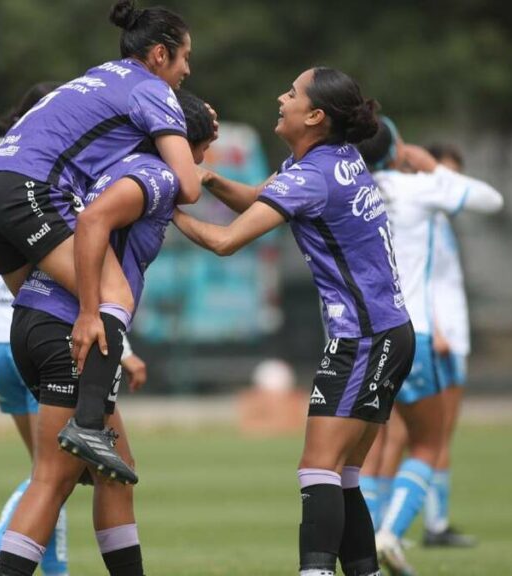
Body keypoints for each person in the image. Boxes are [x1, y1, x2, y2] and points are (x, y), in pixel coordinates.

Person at [172, 67, 414, 576]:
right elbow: (265, 200)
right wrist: (212, 179)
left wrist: (162, 207)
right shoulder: (331, 158)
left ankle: (316, 571)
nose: (281, 98)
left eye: (292, 93)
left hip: (364, 339)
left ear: (315, 116)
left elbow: (225, 241)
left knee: (317, 468)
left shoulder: (312, 175)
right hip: (388, 334)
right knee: (343, 474)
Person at [0, 0, 199, 484]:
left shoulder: (98, 75)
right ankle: (87, 426)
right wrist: (93, 310)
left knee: (35, 306)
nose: (186, 71)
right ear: (159, 55)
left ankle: (67, 420)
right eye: (183, 59)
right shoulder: (151, 89)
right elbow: (189, 185)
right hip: (28, 191)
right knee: (111, 296)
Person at [0, 82, 148, 576]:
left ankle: (2, 565)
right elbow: (85, 279)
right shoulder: (54, 190)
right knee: (52, 476)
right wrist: (123, 347)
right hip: (55, 337)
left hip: (1, 342)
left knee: (52, 474)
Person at [0, 90, 217, 576]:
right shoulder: (154, 174)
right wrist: (91, 310)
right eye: (205, 145)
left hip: (39, 319)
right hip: (70, 331)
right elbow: (94, 221)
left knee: (115, 473)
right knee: (52, 479)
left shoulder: (123, 168)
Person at [356, 119, 502, 575]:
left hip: (359, 338)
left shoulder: (347, 190)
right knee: (428, 443)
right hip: (412, 333)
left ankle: (363, 552)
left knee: (362, 453)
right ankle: (388, 536)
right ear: (397, 146)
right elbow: (491, 200)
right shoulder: (415, 189)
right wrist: (430, 167)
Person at [420, 142, 476, 547]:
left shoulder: (442, 222)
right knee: (416, 437)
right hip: (436, 338)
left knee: (441, 436)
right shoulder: (422, 219)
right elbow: (416, 278)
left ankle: (435, 521)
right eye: (444, 173)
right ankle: (387, 525)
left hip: (454, 336)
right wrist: (437, 328)